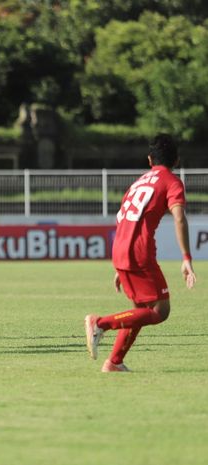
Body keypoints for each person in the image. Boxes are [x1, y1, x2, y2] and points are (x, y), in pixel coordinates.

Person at [85, 134, 197, 372]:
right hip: (139, 251)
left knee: (138, 310)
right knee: (159, 310)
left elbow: (121, 218)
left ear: (149, 159)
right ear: (176, 160)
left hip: (121, 248)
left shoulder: (138, 183)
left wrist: (120, 264)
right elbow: (179, 217)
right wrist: (186, 258)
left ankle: (114, 362)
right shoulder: (172, 182)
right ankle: (101, 323)